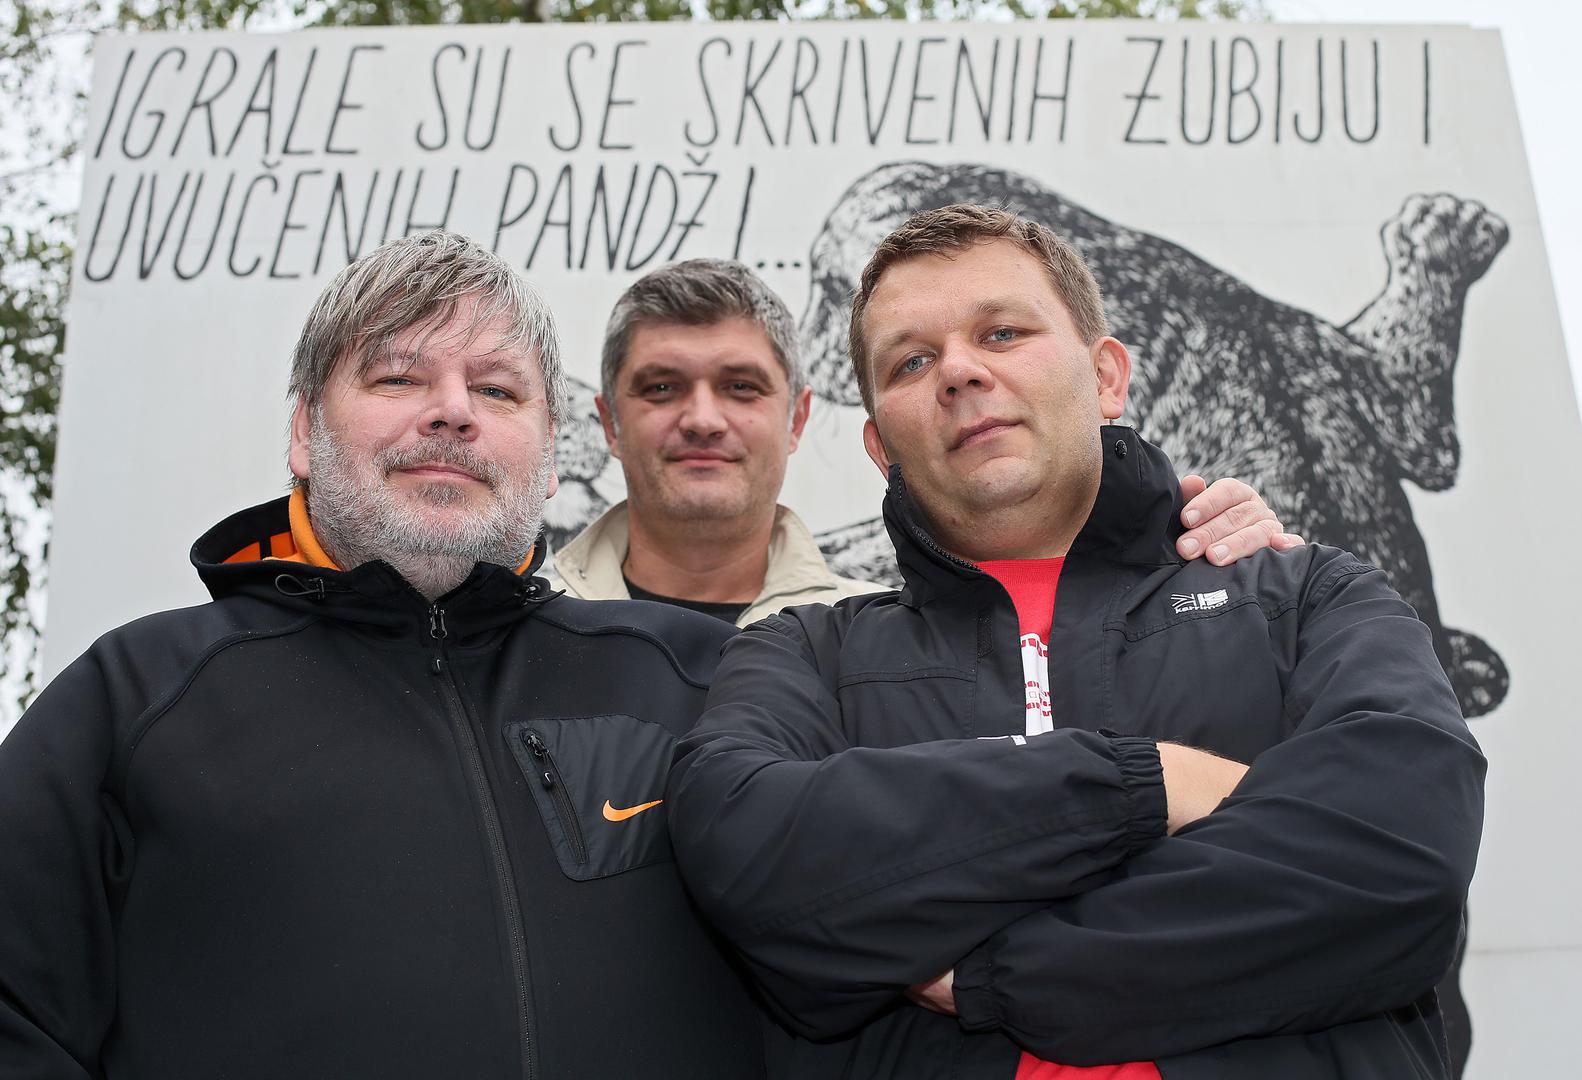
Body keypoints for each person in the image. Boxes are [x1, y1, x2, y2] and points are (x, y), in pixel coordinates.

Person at [666, 205, 1485, 1080]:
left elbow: (1398, 863)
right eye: (911, 361)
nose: (960, 371)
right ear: (881, 446)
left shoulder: (1307, 598)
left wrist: (993, 976)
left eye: (1002, 332)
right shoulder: (805, 656)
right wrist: (1148, 786)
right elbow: (752, 858)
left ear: (1106, 378)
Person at [0, 232, 762, 1078]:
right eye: (398, 377)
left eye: (497, 389)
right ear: (304, 432)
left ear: (551, 455)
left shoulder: (703, 683)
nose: (453, 410)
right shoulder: (134, 699)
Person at [549, 258, 1299, 625]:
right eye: (660, 388)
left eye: (742, 387)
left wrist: (1212, 562)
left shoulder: (894, 630)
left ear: (799, 419)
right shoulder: (520, 625)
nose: (703, 419)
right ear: (608, 422)